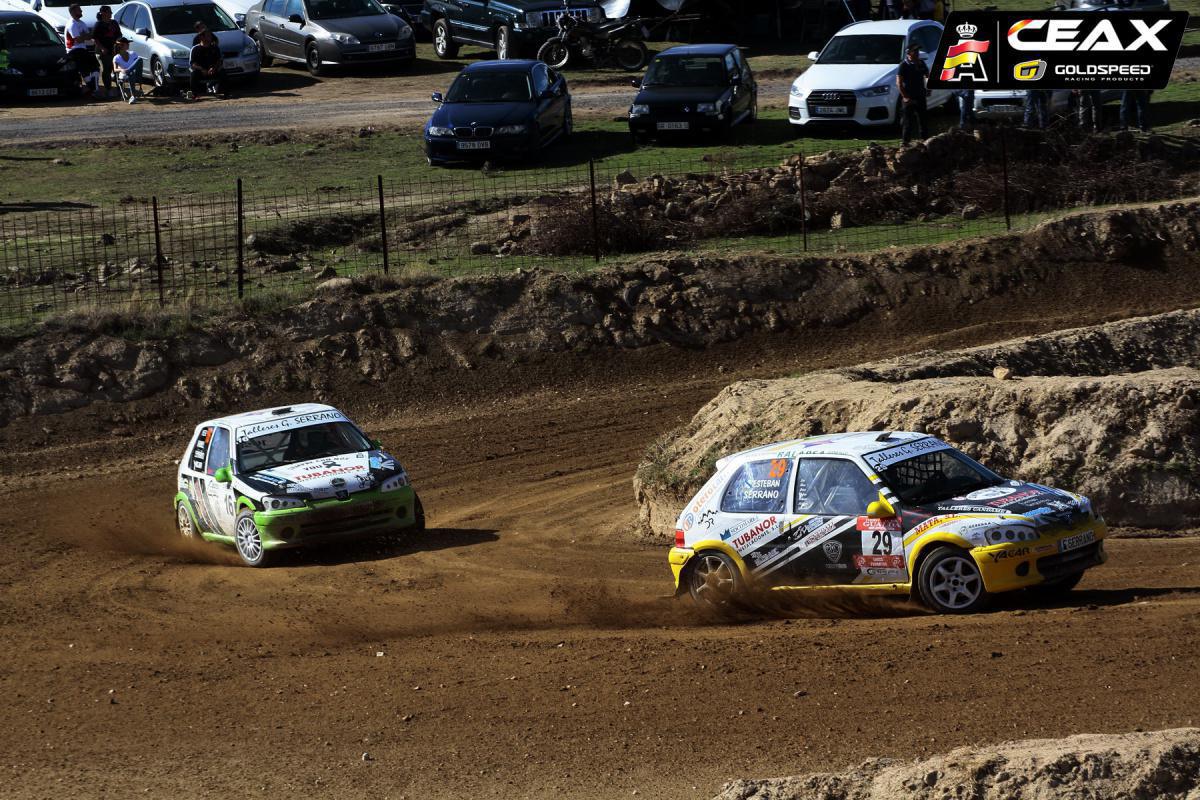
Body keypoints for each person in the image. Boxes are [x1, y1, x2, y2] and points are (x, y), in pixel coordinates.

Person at [896, 44, 928, 145]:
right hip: (909, 97)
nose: (917, 53)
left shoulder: (921, 63)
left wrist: (929, 88)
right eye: (915, 51)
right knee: (908, 122)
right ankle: (905, 143)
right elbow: (899, 82)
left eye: (918, 51)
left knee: (923, 120)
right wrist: (905, 97)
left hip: (920, 96)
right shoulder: (903, 65)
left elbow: (927, 75)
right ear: (909, 53)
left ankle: (925, 141)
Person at [65, 4, 97, 97]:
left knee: (95, 66)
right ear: (73, 12)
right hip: (73, 50)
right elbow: (78, 40)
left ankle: (91, 87)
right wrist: (84, 36)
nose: (81, 12)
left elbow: (89, 36)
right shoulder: (72, 24)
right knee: (85, 67)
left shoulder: (82, 23)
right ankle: (91, 88)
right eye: (79, 10)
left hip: (82, 49)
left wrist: (83, 36)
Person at [188, 30, 228, 99]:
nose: (210, 38)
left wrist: (214, 68)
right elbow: (192, 63)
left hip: (213, 71)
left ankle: (222, 92)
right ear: (202, 37)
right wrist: (201, 69)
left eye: (210, 36)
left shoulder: (215, 48)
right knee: (193, 74)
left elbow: (219, 61)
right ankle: (195, 94)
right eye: (208, 36)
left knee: (223, 72)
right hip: (201, 72)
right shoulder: (195, 49)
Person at [93, 5, 121, 99]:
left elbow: (119, 35)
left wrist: (118, 43)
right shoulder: (99, 24)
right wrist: (102, 48)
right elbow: (95, 38)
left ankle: (119, 89)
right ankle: (108, 90)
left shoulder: (114, 23)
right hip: (103, 52)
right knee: (106, 71)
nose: (110, 14)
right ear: (103, 13)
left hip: (114, 50)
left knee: (116, 70)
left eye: (110, 12)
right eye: (109, 12)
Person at [112, 37, 142, 103]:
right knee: (131, 73)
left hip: (133, 73)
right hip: (124, 74)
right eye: (127, 43)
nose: (129, 45)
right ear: (122, 46)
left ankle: (129, 70)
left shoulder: (133, 53)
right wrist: (121, 69)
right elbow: (115, 69)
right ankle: (133, 97)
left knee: (139, 59)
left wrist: (128, 70)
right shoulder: (116, 57)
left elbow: (138, 65)